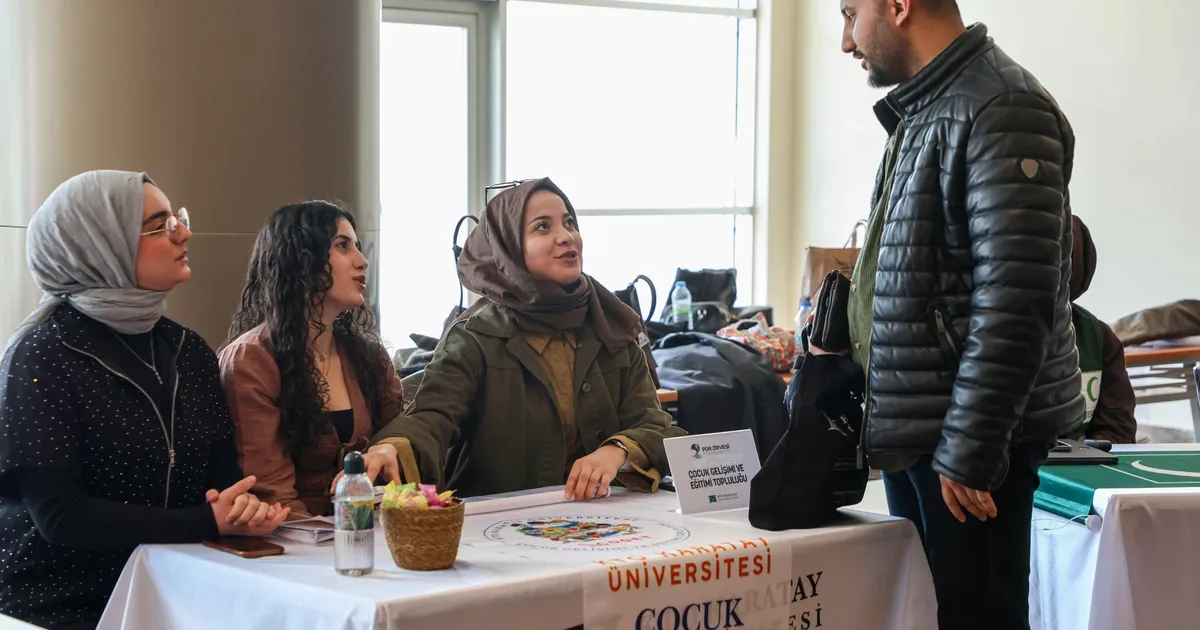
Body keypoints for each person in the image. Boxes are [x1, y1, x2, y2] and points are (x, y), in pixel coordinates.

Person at [834, 2, 1084, 628]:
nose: (846, 41)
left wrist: (971, 446)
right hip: (924, 430)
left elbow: (1017, 299)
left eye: (851, 13)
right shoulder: (931, 107)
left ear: (898, 6)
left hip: (966, 442)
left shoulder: (1003, 106)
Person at [0, 171, 286, 630]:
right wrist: (207, 521)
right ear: (99, 245)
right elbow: (61, 516)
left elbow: (224, 480)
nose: (183, 234)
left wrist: (243, 508)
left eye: (178, 219)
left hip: (179, 593)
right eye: (159, 226)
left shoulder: (187, 350)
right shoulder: (43, 354)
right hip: (64, 604)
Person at [368, 178, 685, 500]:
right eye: (542, 227)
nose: (566, 236)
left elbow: (658, 427)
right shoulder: (475, 336)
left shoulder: (611, 323)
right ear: (508, 248)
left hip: (605, 519)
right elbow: (431, 417)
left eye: (569, 223)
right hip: (499, 519)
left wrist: (618, 450)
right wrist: (392, 448)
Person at [220, 201, 407, 517]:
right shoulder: (251, 360)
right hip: (294, 537)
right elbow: (274, 498)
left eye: (358, 247)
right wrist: (341, 539)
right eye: (343, 245)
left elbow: (399, 446)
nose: (362, 261)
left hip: (370, 529)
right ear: (300, 259)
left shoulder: (368, 356)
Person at [1066, 215, 1137, 443]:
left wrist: (1083, 456)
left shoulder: (1098, 337)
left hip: (1082, 461)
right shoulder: (984, 334)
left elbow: (1118, 431)